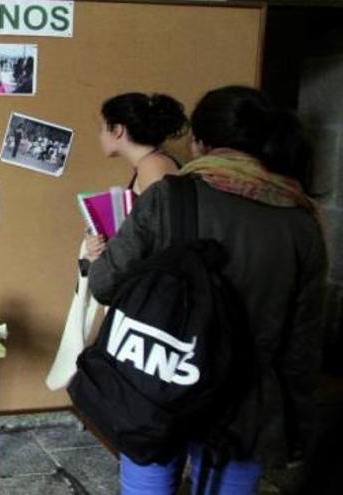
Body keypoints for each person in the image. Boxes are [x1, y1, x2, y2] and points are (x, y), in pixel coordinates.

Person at [87, 86, 326, 495]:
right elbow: (301, 344)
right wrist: (295, 427)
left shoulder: (169, 197)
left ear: (199, 143)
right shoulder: (302, 221)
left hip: (159, 379)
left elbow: (107, 283)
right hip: (246, 402)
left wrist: (94, 261)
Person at [85, 93, 189, 259]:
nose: (100, 136)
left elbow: (160, 234)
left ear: (118, 130)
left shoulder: (153, 165)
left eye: (102, 129)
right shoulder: (150, 164)